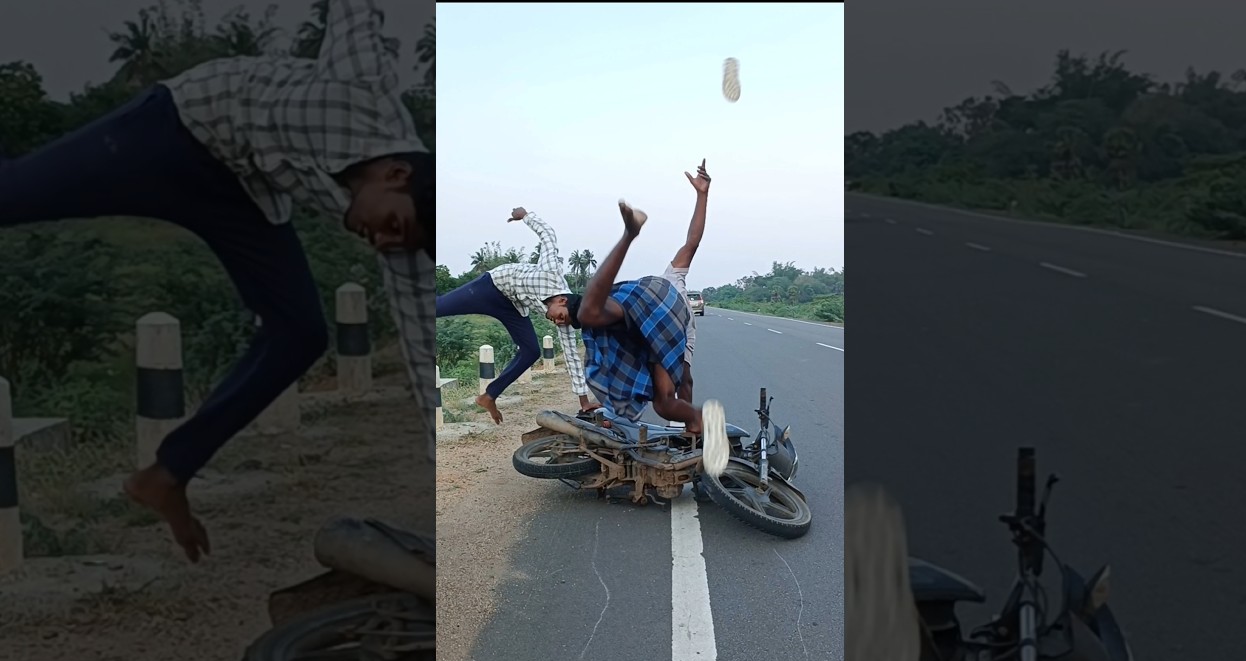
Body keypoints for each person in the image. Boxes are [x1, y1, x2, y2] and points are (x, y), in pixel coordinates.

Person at [0, 0, 435, 563]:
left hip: (242, 192)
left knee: (298, 333)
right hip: (177, 130)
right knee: (11, 195)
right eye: (389, 226)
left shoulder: (408, 241)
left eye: (394, 243)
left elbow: (424, 356)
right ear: (396, 173)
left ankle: (167, 473)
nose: (380, 242)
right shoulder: (361, 88)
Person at [543, 201, 730, 477]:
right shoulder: (671, 283)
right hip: (663, 331)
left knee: (591, 313)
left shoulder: (646, 293)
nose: (558, 320)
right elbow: (692, 242)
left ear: (560, 298)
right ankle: (700, 423)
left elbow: (601, 358)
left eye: (554, 314)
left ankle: (629, 234)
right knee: (666, 401)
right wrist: (703, 194)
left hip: (653, 308)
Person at [437, 207, 597, 424]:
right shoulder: (551, 273)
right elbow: (548, 234)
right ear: (562, 300)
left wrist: (584, 402)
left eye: (563, 322)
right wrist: (526, 216)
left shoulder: (565, 323)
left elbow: (571, 358)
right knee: (439, 307)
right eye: (561, 317)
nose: (558, 322)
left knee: (531, 351)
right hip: (491, 287)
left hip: (512, 306)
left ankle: (489, 395)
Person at [662, 159, 711, 415]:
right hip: (662, 336)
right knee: (665, 387)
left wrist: (702, 195)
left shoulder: (672, 277)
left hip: (684, 332)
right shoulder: (643, 310)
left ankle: (687, 428)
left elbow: (693, 241)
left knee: (685, 380)